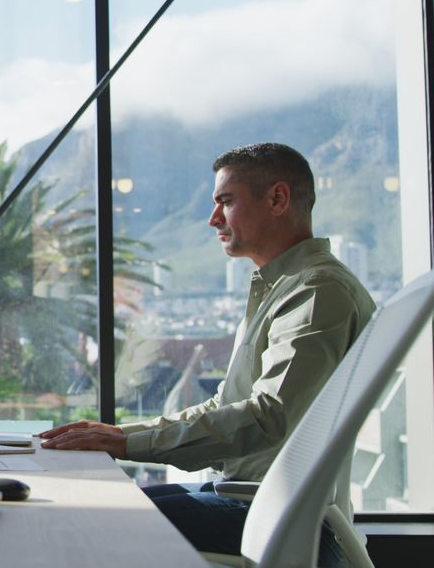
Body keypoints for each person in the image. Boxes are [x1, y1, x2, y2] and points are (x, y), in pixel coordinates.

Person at [40, 142, 375, 565]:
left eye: (226, 202)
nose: (212, 219)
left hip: (275, 515)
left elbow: (268, 416)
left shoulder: (317, 291)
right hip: (252, 500)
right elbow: (227, 406)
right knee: (106, 500)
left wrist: (129, 444)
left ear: (277, 199)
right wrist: (122, 435)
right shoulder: (284, 289)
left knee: (93, 520)